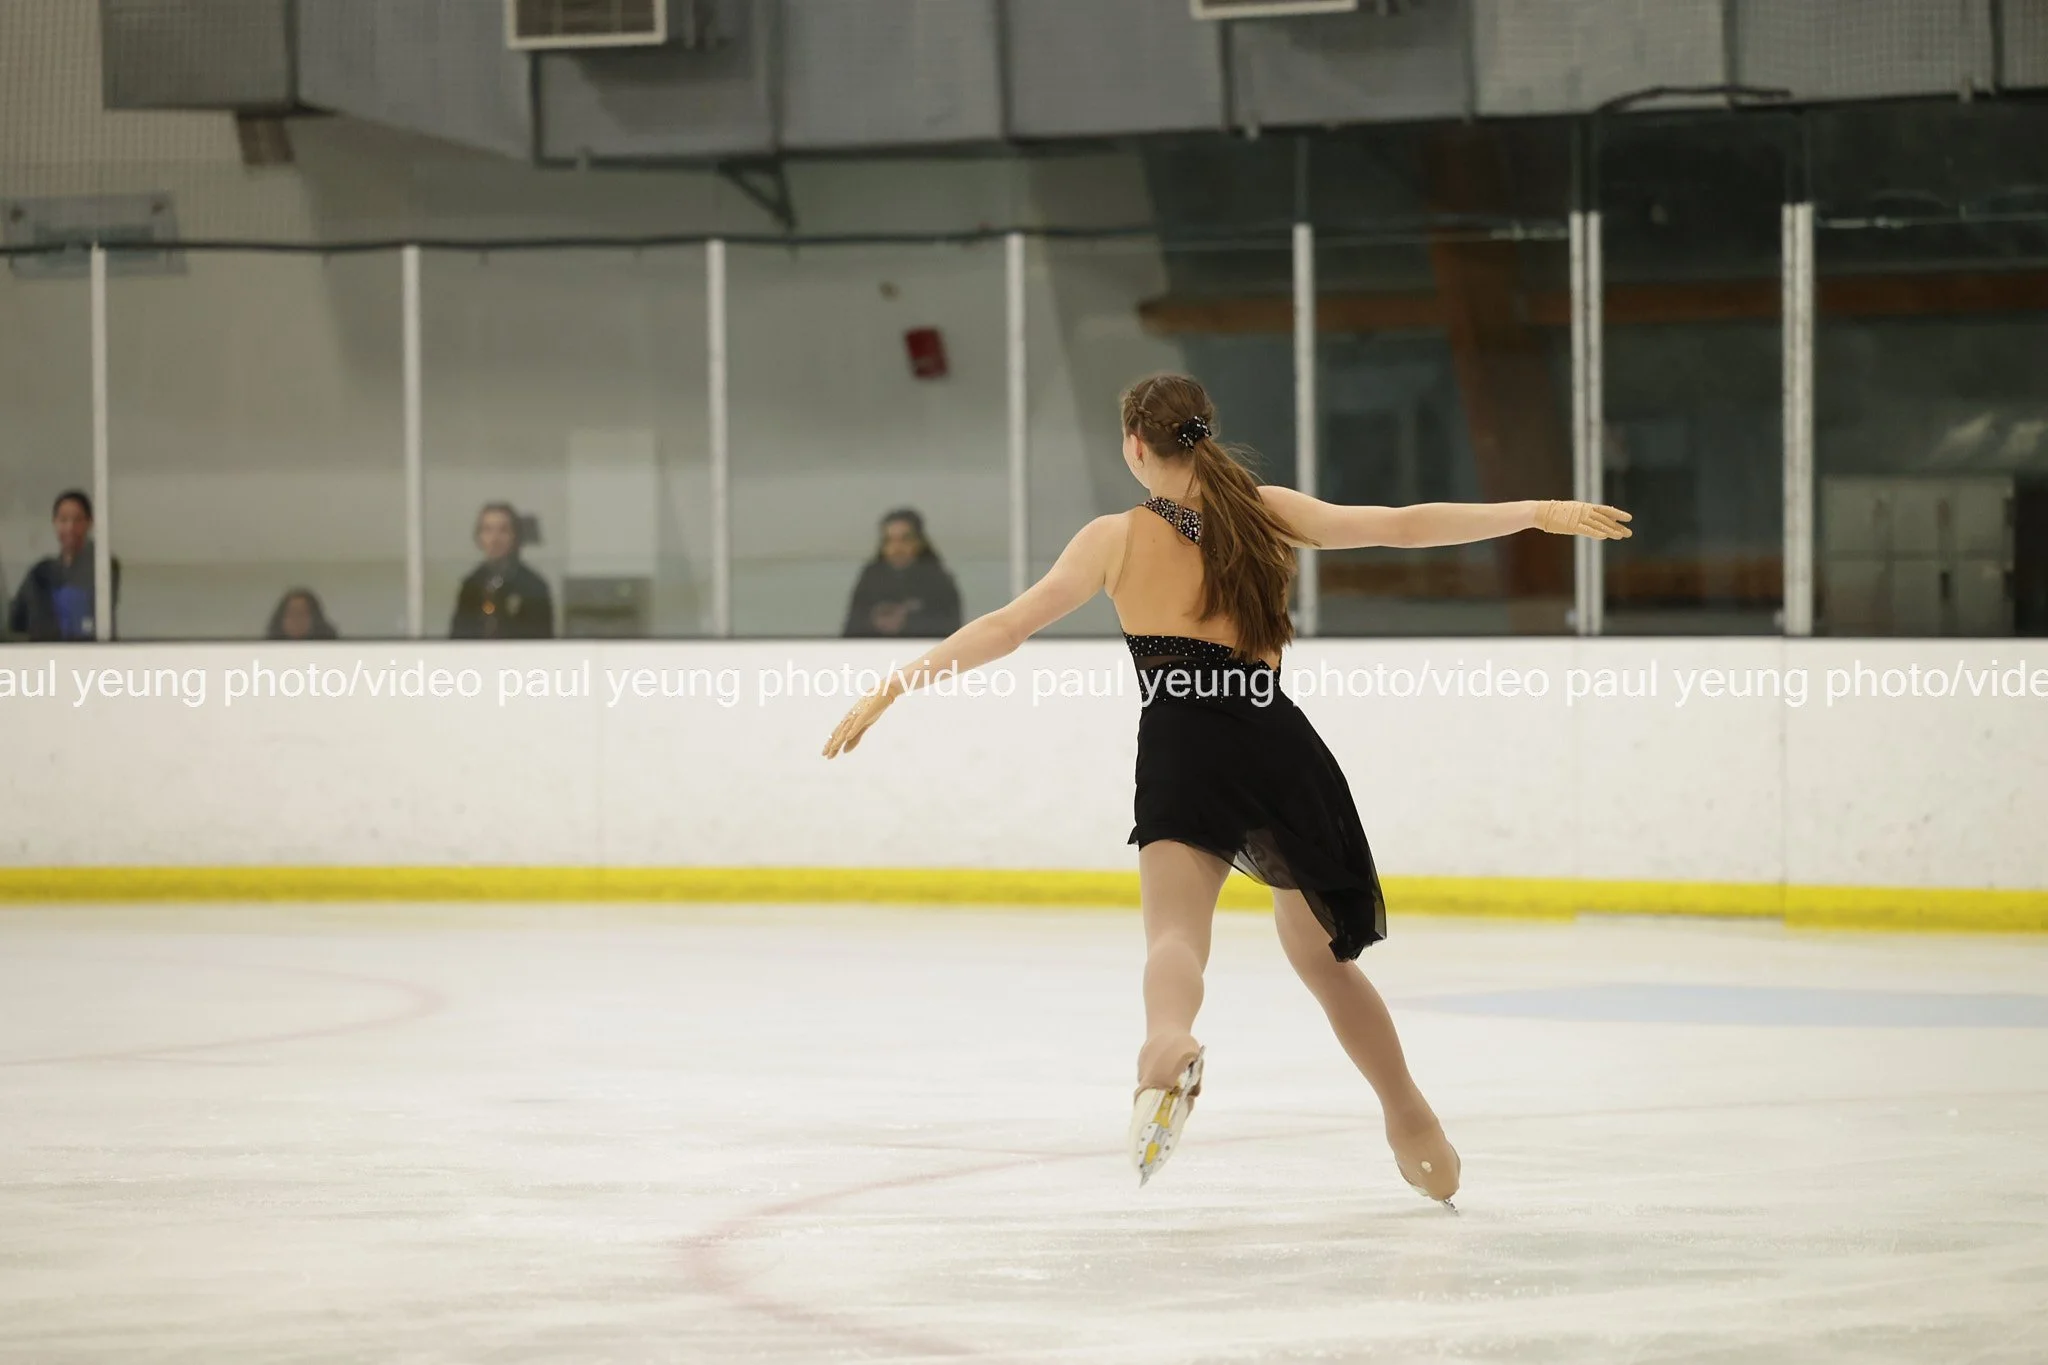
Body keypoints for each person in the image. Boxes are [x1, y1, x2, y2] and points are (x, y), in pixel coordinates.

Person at [823, 373, 1630, 1199]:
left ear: (1135, 444)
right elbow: (1400, 525)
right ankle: (1411, 1120)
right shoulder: (1265, 511)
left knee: (1176, 936)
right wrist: (1538, 511)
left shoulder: (1114, 537)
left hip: (1184, 742)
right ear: (1202, 431)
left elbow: (1008, 625)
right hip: (1276, 739)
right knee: (1324, 964)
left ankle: (1166, 1045)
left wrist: (898, 683)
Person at [8, 490, 119, 642]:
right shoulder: (40, 574)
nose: (70, 527)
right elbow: (16, 621)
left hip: (90, 652)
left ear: (89, 523)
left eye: (77, 520)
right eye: (63, 520)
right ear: (55, 523)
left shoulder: (102, 566)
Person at [841, 508, 964, 638]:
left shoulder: (939, 582)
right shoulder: (870, 580)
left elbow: (950, 631)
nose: (897, 548)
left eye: (905, 539)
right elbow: (852, 628)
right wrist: (876, 622)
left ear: (919, 542)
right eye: (889, 540)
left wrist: (908, 619)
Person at [450, 503, 554, 639]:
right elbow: (457, 639)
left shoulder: (534, 587)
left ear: (515, 536)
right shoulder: (470, 586)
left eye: (503, 530)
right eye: (488, 530)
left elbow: (542, 641)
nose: (495, 539)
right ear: (479, 537)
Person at [266, 588, 338, 640]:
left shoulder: (330, 648)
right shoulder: (267, 649)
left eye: (302, 614)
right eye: (292, 613)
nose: (296, 619)